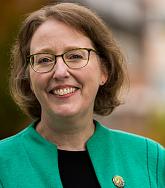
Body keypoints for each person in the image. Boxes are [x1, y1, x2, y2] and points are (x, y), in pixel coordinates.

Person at [0, 2, 164, 188]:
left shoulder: (152, 158)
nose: (60, 72)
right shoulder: (2, 164)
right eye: (44, 60)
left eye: (75, 56)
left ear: (104, 70)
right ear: (29, 79)